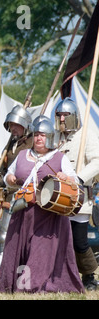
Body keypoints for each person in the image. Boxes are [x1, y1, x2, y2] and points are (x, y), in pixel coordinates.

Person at [0, 119, 84, 293]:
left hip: (49, 216)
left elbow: (75, 179)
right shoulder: (23, 155)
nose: (38, 139)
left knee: (40, 252)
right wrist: (10, 179)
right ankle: (16, 284)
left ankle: (33, 286)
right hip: (23, 211)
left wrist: (65, 178)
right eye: (36, 135)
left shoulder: (59, 157)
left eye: (43, 135)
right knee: (18, 249)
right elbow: (9, 175)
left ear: (50, 138)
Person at [0, 105, 33, 286]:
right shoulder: (11, 144)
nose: (13, 128)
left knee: (25, 238)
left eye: (16, 125)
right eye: (10, 125)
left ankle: (24, 278)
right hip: (8, 195)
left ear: (26, 126)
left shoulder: (33, 144)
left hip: (26, 196)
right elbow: (4, 170)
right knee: (2, 236)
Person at [54, 98, 99, 290]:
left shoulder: (86, 135)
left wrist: (79, 179)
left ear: (74, 116)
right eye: (59, 115)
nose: (62, 118)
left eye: (65, 115)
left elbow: (97, 161)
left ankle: (89, 277)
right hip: (57, 199)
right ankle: (62, 276)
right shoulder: (55, 137)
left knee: (79, 241)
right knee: (58, 239)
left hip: (79, 197)